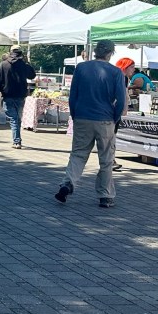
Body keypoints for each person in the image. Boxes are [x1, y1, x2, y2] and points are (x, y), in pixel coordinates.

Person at [55, 39, 126, 209]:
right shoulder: (116, 72)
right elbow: (121, 100)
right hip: (105, 119)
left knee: (78, 154)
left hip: (82, 117)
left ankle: (68, 183)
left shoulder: (81, 68)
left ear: (95, 51)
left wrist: (74, 114)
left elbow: (73, 96)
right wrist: (114, 118)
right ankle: (105, 195)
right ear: (110, 53)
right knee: (106, 159)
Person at [0, 46, 36, 149]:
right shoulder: (23, 65)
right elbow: (32, 75)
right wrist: (27, 62)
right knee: (17, 118)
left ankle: (17, 141)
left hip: (7, 94)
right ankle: (17, 140)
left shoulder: (3, 64)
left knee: (14, 118)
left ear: (10, 53)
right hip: (20, 95)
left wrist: (1, 90)